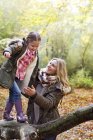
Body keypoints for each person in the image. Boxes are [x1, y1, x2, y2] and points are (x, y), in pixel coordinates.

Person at [24, 58, 71, 140]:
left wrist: (34, 94)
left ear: (58, 70)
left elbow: (48, 104)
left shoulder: (58, 86)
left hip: (49, 125)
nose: (49, 65)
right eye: (49, 63)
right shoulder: (38, 78)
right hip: (33, 121)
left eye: (53, 65)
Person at [1, 32, 41, 123]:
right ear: (27, 42)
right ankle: (20, 115)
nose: (34, 48)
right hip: (10, 73)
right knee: (17, 93)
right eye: (32, 46)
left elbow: (34, 67)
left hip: (20, 76)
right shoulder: (21, 45)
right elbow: (11, 47)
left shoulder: (35, 54)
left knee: (12, 95)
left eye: (36, 46)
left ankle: (6, 114)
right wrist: (7, 51)